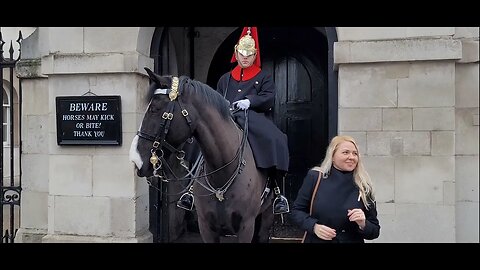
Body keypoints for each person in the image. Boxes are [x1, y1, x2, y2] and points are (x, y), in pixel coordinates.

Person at [216, 26, 290, 215]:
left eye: (249, 53)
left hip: (253, 117)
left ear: (254, 54)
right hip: (227, 117)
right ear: (236, 53)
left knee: (276, 138)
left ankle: (277, 190)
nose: (245, 57)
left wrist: (250, 101)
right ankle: (191, 189)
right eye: (242, 53)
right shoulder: (225, 79)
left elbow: (269, 97)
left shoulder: (263, 76)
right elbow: (216, 98)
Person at [290, 135, 380, 243]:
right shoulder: (315, 177)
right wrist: (314, 227)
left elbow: (375, 231)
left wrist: (363, 223)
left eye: (355, 153)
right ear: (332, 156)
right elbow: (296, 212)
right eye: (345, 152)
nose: (351, 157)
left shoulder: (364, 186)